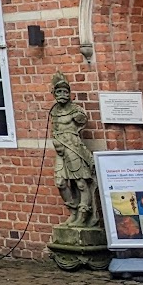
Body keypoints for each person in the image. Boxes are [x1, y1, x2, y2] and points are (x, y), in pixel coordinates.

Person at [49, 74, 102, 231]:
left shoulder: (75, 110)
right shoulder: (54, 111)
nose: (62, 96)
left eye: (65, 92)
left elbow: (81, 121)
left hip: (73, 148)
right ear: (54, 93)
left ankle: (83, 213)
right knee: (60, 182)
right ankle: (72, 211)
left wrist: (77, 117)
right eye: (58, 92)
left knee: (80, 183)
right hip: (60, 151)